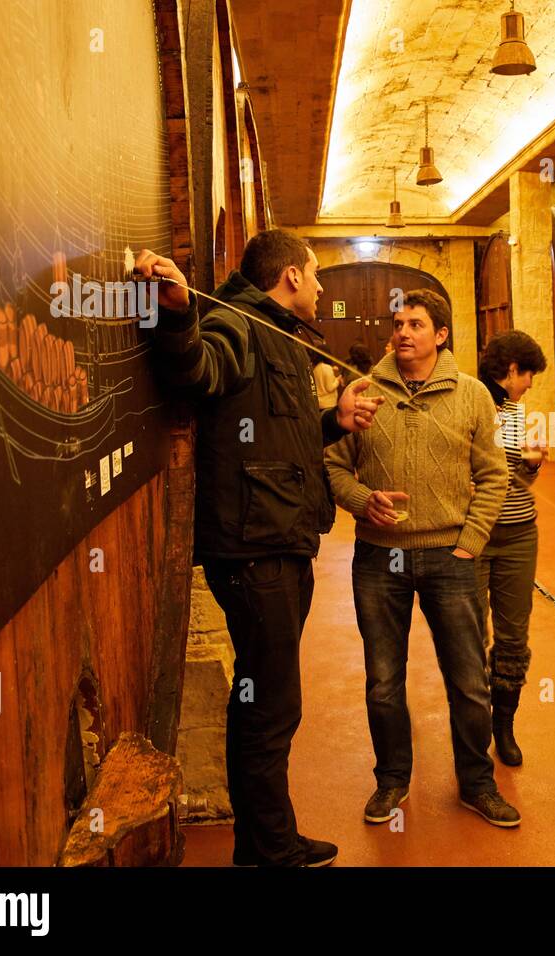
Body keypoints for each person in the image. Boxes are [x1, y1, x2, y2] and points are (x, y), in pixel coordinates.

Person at [134, 229, 383, 867]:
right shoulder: (236, 322)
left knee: (269, 698)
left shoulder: (276, 334)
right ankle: (267, 849)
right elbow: (197, 369)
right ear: (292, 276)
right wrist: (177, 311)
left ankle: (268, 838)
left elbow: (270, 430)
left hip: (277, 539)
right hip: (253, 548)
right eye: (317, 273)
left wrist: (333, 422)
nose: (325, 286)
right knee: (268, 704)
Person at [324, 289, 521, 827]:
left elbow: (494, 475)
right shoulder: (362, 393)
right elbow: (334, 466)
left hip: (449, 557)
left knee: (467, 680)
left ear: (440, 335)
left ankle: (477, 784)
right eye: (397, 323)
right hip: (378, 559)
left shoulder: (473, 395)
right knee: (383, 679)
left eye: (415, 323)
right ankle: (391, 780)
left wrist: (470, 542)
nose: (402, 332)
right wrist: (365, 501)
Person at [476, 329, 548, 766]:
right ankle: (474, 726)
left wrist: (530, 465)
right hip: (479, 534)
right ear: (512, 370)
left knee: (513, 638)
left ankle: (504, 725)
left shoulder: (517, 411)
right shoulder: (474, 404)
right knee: (469, 636)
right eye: (528, 375)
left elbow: (516, 477)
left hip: (520, 533)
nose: (530, 385)